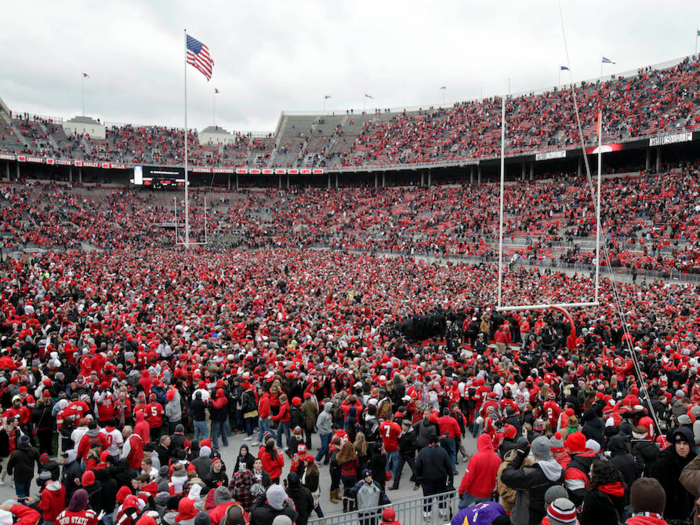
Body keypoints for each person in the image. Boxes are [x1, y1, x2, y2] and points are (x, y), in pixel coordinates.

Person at [500, 436, 564, 525]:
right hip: (547, 516)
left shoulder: (531, 474)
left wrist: (518, 458)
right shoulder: (559, 470)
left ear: (533, 452)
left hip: (526, 518)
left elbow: (506, 476)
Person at [650, 427, 696, 521]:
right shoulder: (664, 463)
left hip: (690, 512)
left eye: (685, 443)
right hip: (670, 514)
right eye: (678, 443)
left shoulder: (694, 461)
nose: (681, 447)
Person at [458, 434, 502, 508]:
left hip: (473, 491)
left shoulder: (475, 458)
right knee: (482, 511)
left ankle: (462, 519)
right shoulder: (497, 459)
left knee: (462, 507)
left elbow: (468, 478)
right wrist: (498, 491)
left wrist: (461, 490)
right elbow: (499, 478)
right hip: (487, 492)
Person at [415, 435, 453, 521]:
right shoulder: (443, 451)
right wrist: (450, 479)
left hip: (427, 480)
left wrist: (419, 478)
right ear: (437, 442)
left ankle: (427, 515)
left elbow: (417, 467)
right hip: (441, 480)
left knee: (428, 498)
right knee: (441, 497)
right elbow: (449, 466)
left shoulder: (422, 452)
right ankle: (443, 514)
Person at [578, 460, 626, 525]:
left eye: (591, 471)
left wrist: (580, 514)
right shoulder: (620, 488)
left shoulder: (593, 496)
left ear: (598, 475)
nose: (589, 474)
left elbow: (586, 520)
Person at [7, 434, 40, 499]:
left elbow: (10, 465)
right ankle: (27, 504)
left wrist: (9, 472)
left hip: (19, 476)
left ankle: (23, 506)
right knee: (27, 492)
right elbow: (40, 461)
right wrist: (40, 470)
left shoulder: (15, 453)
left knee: (20, 495)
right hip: (29, 475)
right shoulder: (34, 450)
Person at [391, 418, 418, 491]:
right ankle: (395, 485)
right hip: (402, 454)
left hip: (409, 455)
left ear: (407, 426)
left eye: (403, 425)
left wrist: (408, 452)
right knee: (398, 470)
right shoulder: (403, 432)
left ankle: (417, 484)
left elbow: (415, 445)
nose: (401, 426)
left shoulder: (412, 434)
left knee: (414, 470)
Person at [336, 441, 360, 512]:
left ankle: (345, 508)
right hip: (352, 474)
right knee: (352, 490)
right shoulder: (354, 456)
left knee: (346, 489)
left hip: (344, 475)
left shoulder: (341, 456)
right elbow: (357, 465)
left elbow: (339, 465)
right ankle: (351, 507)